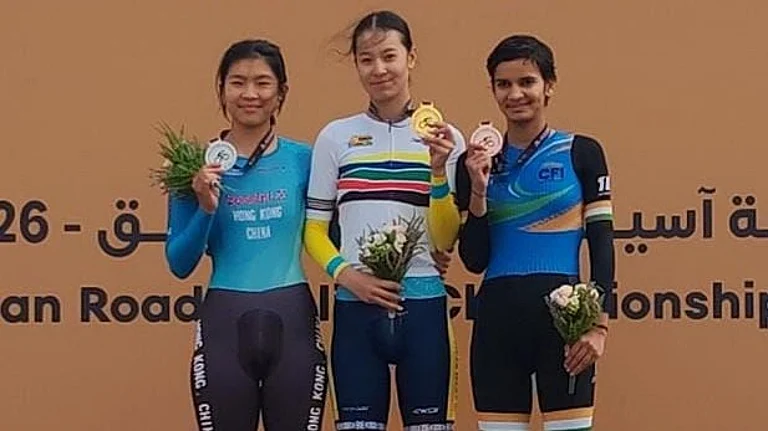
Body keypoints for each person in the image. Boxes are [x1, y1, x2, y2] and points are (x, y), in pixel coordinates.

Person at [303, 10, 465, 431]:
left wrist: (436, 171)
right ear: (356, 64)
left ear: (411, 58)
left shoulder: (446, 138)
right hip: (356, 310)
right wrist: (347, 277)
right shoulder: (335, 137)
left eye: (389, 56)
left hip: (426, 306)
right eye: (366, 59)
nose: (379, 69)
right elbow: (315, 230)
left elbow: (447, 237)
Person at [164, 39, 327, 431]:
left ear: (281, 93)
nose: (250, 94)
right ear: (221, 89)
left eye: (262, 83)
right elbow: (179, 263)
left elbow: (333, 233)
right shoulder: (194, 165)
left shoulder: (305, 159)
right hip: (224, 317)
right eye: (237, 82)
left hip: (292, 317)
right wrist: (205, 206)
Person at [455, 34, 615, 431]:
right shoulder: (473, 161)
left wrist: (597, 324)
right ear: (492, 89)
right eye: (503, 84)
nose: (516, 94)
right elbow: (474, 260)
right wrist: (477, 187)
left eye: (527, 82)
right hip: (497, 322)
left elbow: (601, 244)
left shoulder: (582, 152)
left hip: (564, 323)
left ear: (549, 86)